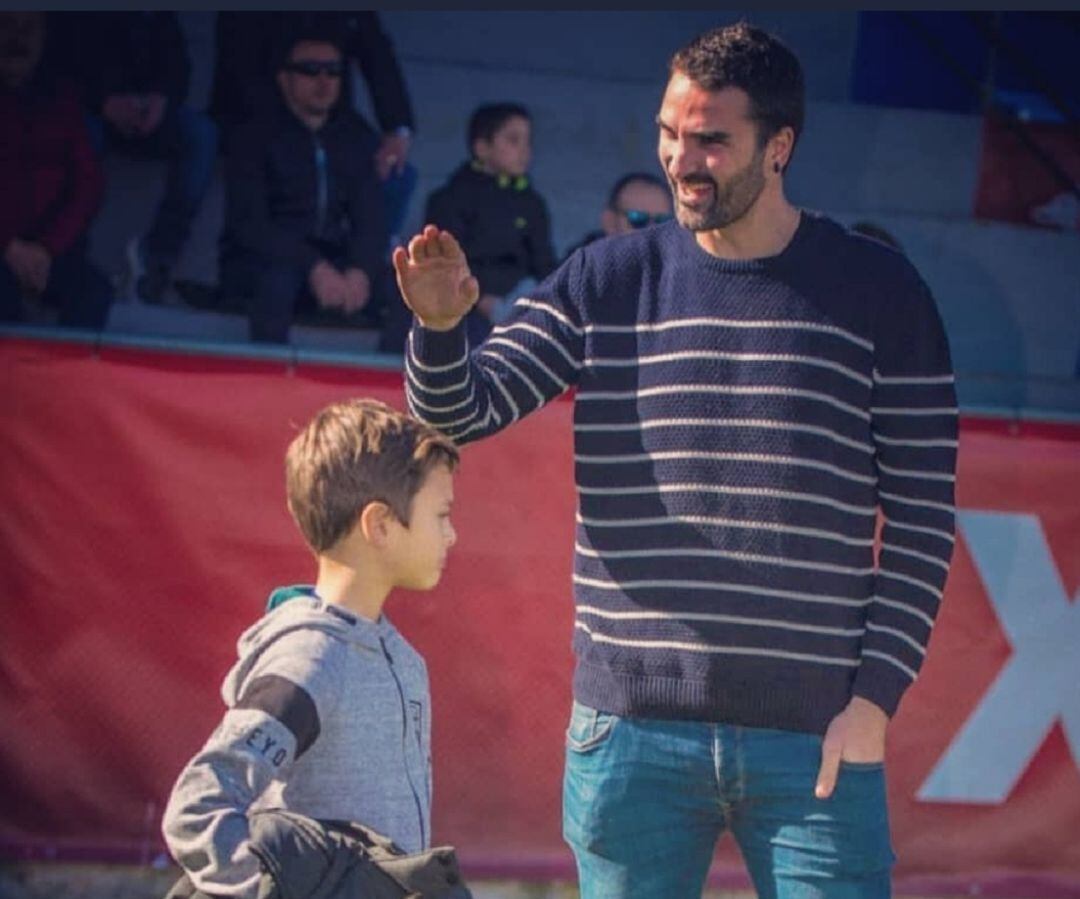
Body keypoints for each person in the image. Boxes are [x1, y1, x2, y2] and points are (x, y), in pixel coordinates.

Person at [393, 21, 958, 899]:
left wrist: (875, 699)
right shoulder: (602, 278)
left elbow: (923, 519)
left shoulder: (883, 292)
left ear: (780, 147)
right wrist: (437, 328)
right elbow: (463, 411)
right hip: (629, 738)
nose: (681, 159)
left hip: (814, 741)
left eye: (710, 140)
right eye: (669, 132)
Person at [161, 398, 459, 897]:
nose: (452, 534)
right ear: (380, 525)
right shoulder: (311, 659)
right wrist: (264, 888)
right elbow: (198, 807)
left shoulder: (403, 659)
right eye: (441, 515)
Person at [218, 29, 388, 344]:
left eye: (333, 72)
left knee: (410, 292)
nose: (324, 81)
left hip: (332, 262)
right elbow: (249, 225)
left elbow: (372, 218)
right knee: (276, 282)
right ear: (284, 78)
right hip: (264, 260)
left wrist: (360, 271)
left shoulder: (355, 136)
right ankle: (268, 386)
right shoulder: (253, 134)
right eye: (310, 71)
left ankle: (397, 391)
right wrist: (313, 266)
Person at [49, 12, 218, 305]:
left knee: (202, 135)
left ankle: (155, 262)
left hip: (147, 114)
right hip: (93, 111)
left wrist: (162, 99)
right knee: (80, 133)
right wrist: (103, 101)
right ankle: (62, 252)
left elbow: (178, 66)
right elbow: (54, 70)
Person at [211, 12, 418, 245]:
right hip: (259, 118)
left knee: (398, 174)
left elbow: (377, 54)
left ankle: (374, 264)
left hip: (331, 120)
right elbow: (238, 67)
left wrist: (397, 130)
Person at [0, 11, 112, 330]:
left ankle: (70, 380)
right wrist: (8, 245)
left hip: (48, 251)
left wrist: (47, 249)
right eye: (7, 25)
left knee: (93, 291)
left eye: (29, 29)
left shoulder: (62, 100)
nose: (18, 39)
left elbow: (89, 184)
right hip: (2, 248)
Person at [424, 102, 558, 344]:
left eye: (528, 142)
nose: (525, 151)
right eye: (513, 140)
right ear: (482, 148)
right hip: (466, 308)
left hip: (521, 307)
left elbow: (544, 262)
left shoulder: (533, 203)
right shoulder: (450, 199)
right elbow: (445, 262)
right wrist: (479, 298)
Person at [563, 171, 674, 258]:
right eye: (638, 219)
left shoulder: (680, 269)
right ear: (610, 222)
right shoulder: (577, 273)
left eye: (662, 222)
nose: (651, 231)